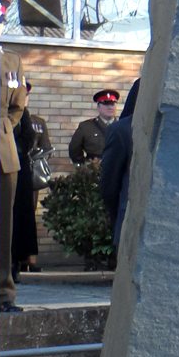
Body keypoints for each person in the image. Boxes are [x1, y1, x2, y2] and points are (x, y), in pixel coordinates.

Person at [0, 37, 29, 313]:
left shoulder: (12, 60)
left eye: (1, 20)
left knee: (4, 223)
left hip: (2, 146)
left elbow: (18, 105)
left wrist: (3, 129)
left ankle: (3, 294)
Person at [11, 82, 53, 279]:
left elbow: (45, 147)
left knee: (26, 216)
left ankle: (24, 260)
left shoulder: (32, 120)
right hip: (8, 171)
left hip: (26, 172)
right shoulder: (5, 115)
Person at [99, 79, 139, 247]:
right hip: (132, 224)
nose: (110, 106)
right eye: (106, 103)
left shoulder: (121, 129)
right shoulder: (123, 130)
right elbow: (109, 184)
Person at [70, 89, 120, 164]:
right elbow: (74, 150)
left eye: (112, 104)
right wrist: (86, 167)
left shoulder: (123, 126)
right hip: (96, 170)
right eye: (106, 104)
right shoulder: (86, 127)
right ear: (98, 107)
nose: (110, 107)